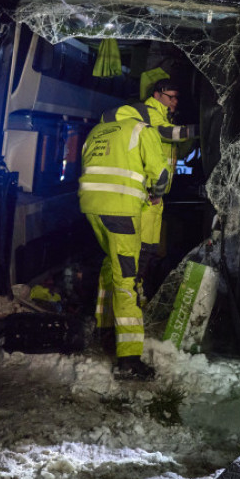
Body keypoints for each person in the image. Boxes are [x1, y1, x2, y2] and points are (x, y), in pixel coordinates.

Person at [79, 110, 170, 380]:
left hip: (92, 208)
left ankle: (104, 325)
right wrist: (155, 195)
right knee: (127, 279)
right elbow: (161, 175)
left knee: (111, 262)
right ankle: (129, 358)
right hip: (121, 211)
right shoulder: (142, 129)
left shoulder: (96, 131)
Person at [102, 77, 198, 294]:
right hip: (144, 195)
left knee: (148, 252)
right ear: (157, 95)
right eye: (170, 97)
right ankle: (126, 300)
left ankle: (137, 295)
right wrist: (200, 129)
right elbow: (168, 133)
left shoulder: (163, 115)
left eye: (176, 98)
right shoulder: (149, 112)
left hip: (155, 195)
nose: (174, 101)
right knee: (137, 253)